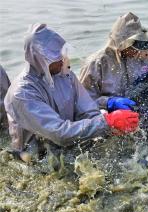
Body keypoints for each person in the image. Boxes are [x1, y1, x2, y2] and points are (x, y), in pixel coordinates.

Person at [4, 24, 139, 159]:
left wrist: (110, 128)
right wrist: (107, 122)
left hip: (69, 146)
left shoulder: (65, 75)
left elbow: (88, 111)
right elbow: (59, 133)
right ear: (40, 60)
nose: (62, 61)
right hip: (36, 157)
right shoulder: (23, 93)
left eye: (62, 54)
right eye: (56, 58)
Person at [79, 12, 148, 112]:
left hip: (139, 109)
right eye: (132, 45)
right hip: (109, 115)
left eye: (138, 43)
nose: (135, 50)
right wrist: (109, 102)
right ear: (121, 43)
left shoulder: (143, 58)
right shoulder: (96, 63)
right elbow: (82, 101)